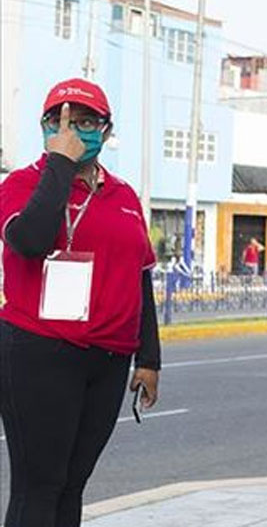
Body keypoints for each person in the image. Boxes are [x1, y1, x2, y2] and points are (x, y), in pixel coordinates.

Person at [0, 78, 161, 527]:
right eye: (61, 120)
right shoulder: (22, 183)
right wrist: (60, 164)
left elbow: (140, 277)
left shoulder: (124, 196)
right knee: (39, 486)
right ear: (46, 127)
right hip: (39, 350)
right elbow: (29, 240)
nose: (73, 129)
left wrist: (149, 358)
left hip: (108, 359)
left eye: (86, 121)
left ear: (106, 131)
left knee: (72, 485)